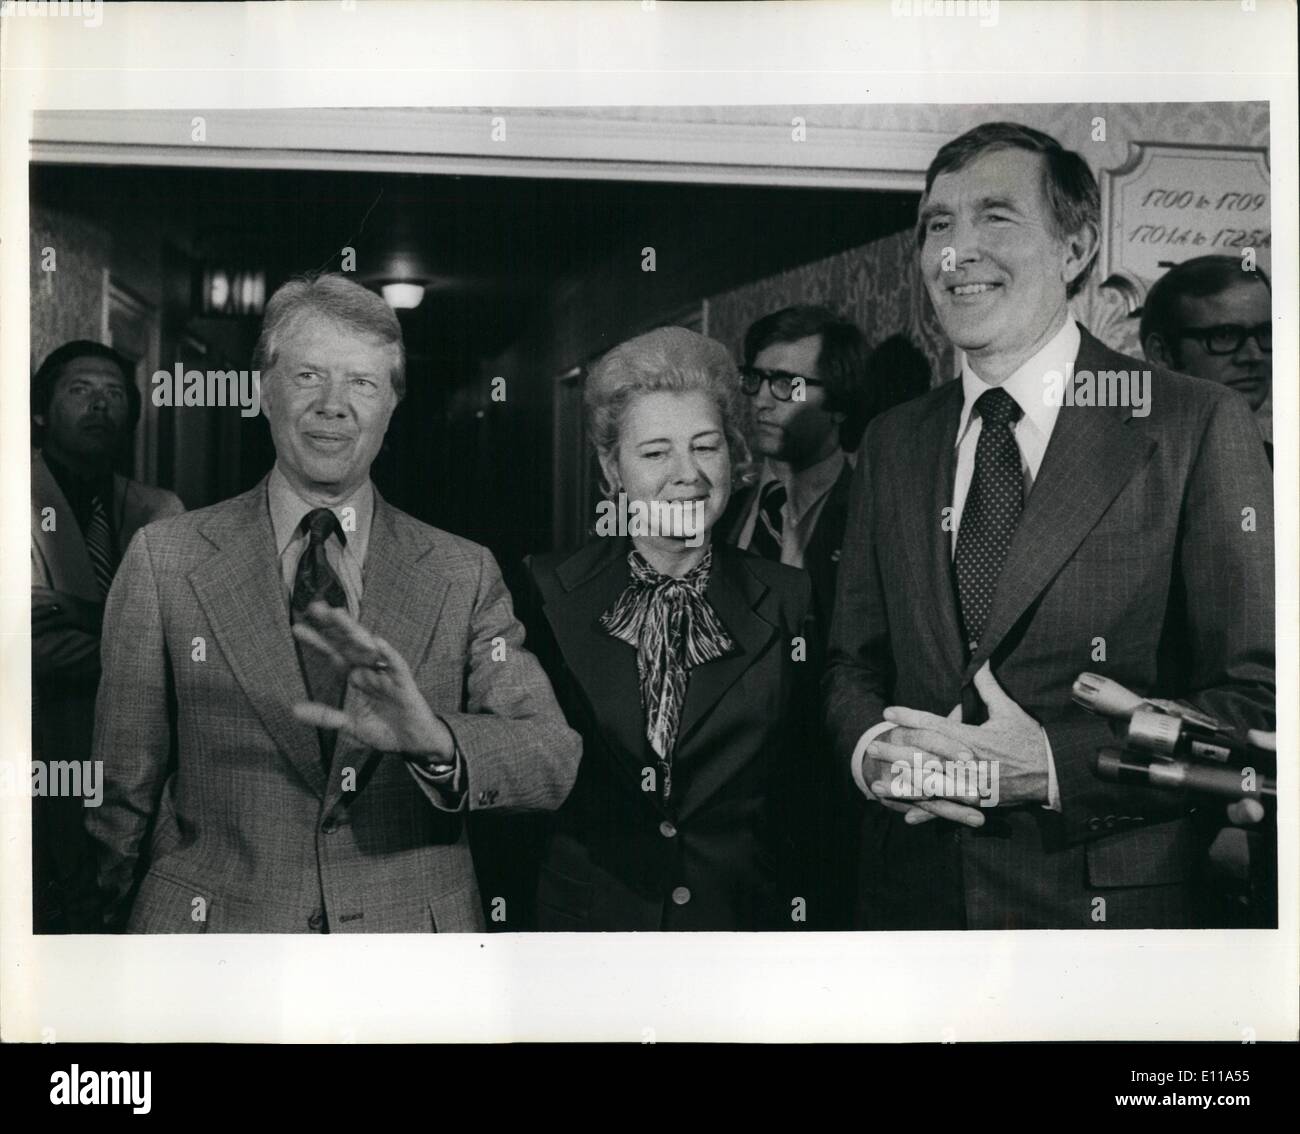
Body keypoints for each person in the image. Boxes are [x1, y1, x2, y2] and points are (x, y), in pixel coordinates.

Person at [824, 122, 1274, 930]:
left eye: (995, 217)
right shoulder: (894, 440)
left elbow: (1261, 696)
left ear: (1075, 251)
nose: (956, 253)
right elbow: (851, 664)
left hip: (1108, 914)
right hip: (913, 902)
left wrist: (1058, 767)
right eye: (937, 225)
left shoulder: (1194, 423)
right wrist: (872, 753)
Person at [86, 273, 581, 933]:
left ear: (392, 406)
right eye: (308, 375)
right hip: (216, 943)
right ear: (263, 389)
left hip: (407, 953)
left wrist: (433, 740)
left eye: (363, 383)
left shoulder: (463, 571)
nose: (334, 405)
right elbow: (122, 790)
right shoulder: (164, 559)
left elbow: (550, 758)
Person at [523, 327, 819, 930]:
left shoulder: (791, 598)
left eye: (705, 447)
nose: (687, 475)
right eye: (656, 453)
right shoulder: (542, 591)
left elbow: (809, 799)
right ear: (612, 468)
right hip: (588, 940)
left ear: (734, 458)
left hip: (739, 937)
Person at [30, 340, 185, 934]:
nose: (99, 405)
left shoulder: (158, 508)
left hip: (136, 755)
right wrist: (140, 641)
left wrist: (72, 610)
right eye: (80, 390)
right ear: (42, 412)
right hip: (41, 741)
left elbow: (183, 639)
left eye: (114, 394)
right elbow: (24, 646)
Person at [721, 305, 870, 629]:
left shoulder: (870, 513)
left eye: (787, 384)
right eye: (756, 379)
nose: (761, 400)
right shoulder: (720, 505)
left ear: (839, 406)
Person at [1140, 255, 1273, 464]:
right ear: (1161, 354)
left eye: (1266, 333)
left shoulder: (1286, 468)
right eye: (1224, 336)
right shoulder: (1125, 470)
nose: (1254, 356)